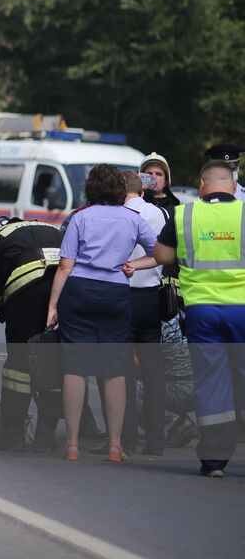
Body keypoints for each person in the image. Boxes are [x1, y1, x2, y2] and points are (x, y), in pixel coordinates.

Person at [127, 161, 245, 477]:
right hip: (243, 311)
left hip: (203, 312)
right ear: (233, 186)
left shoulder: (184, 215)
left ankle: (214, 461)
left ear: (201, 185)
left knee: (211, 382)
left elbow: (162, 256)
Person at [47, 163, 157, 463]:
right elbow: (160, 253)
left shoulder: (80, 218)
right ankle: (115, 444)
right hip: (115, 293)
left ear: (90, 188)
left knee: (75, 366)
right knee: (115, 368)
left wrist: (53, 306)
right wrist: (135, 266)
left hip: (79, 290)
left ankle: (71, 444)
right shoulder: (132, 219)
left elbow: (64, 266)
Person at [0, 216, 64, 451]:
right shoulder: (49, 227)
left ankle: (12, 433)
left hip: (28, 295)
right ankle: (46, 435)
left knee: (19, 365)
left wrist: (2, 309)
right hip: (65, 290)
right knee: (54, 363)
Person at [122, 170, 168, 455]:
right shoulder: (160, 214)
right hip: (151, 296)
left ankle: (126, 436)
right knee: (153, 371)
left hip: (122, 296)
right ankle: (156, 438)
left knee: (123, 369)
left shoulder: (114, 213)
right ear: (142, 190)